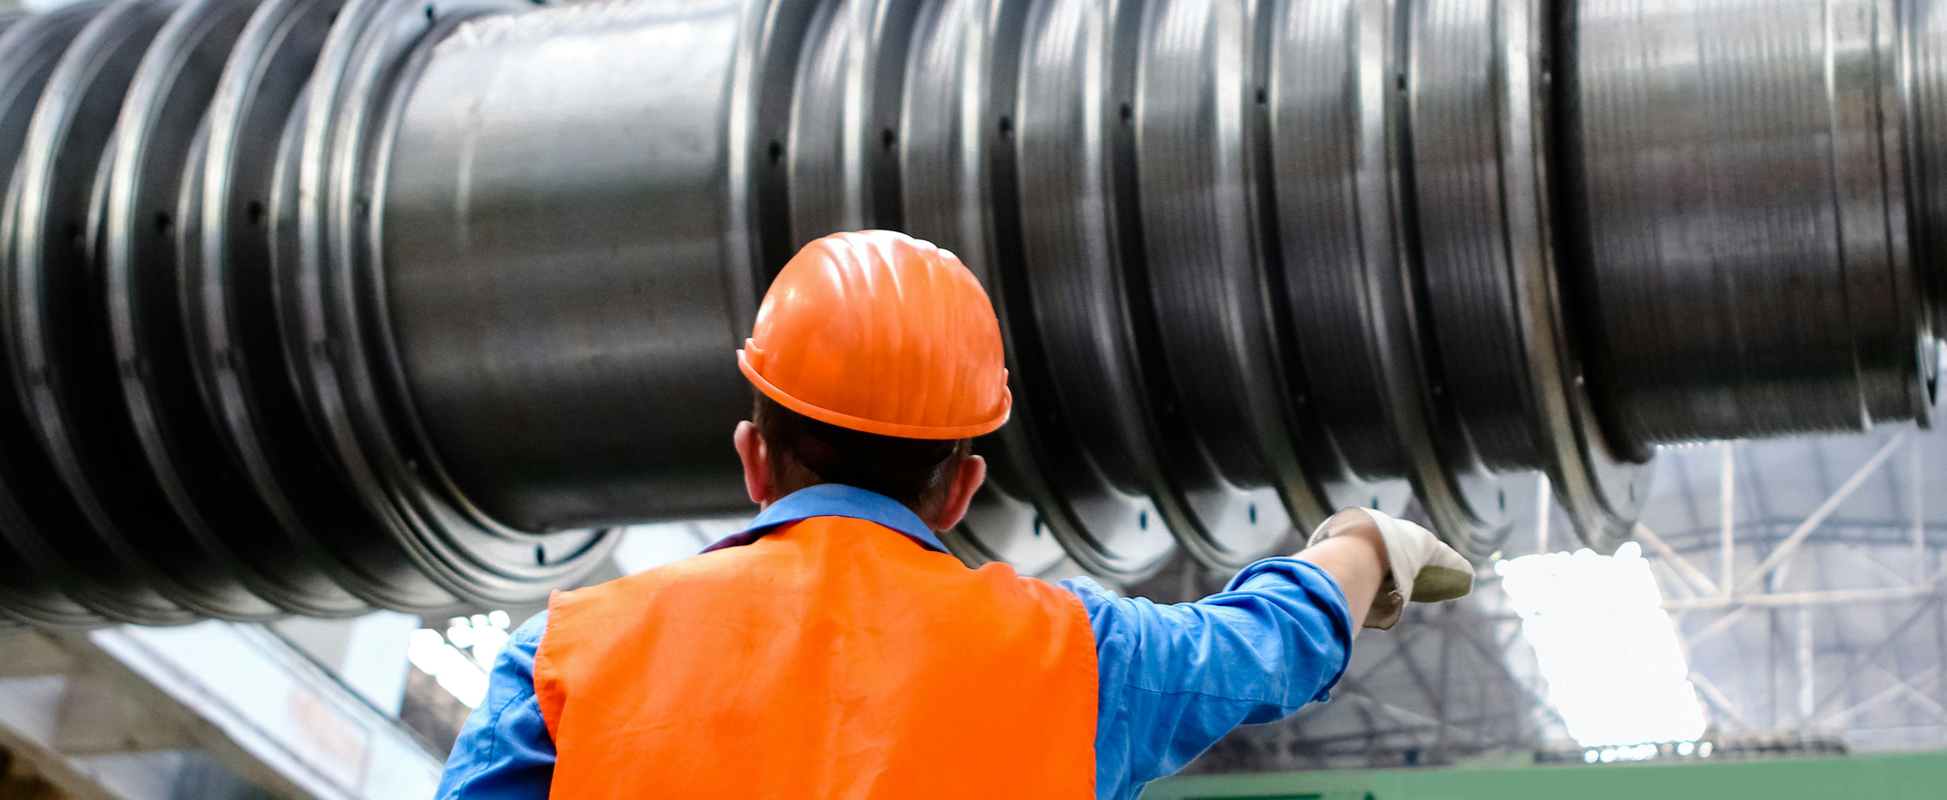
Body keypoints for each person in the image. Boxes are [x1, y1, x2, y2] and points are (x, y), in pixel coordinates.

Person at [433, 230, 1474, 800]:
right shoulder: (1078, 657)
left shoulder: (569, 659)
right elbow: (1262, 647)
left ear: (754, 457)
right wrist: (1359, 546)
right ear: (963, 485)